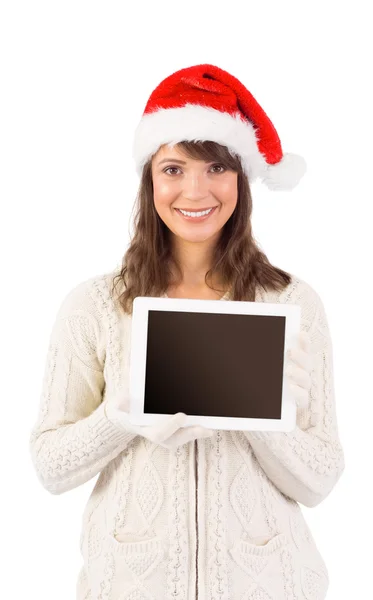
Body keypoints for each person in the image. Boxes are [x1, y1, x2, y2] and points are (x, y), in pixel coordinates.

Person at [29, 63, 345, 600]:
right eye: (173, 169)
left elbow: (320, 481)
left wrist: (264, 412)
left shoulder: (292, 302)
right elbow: (51, 469)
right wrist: (120, 416)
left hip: (269, 586)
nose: (195, 190)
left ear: (240, 179)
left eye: (216, 167)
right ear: (149, 179)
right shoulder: (95, 306)